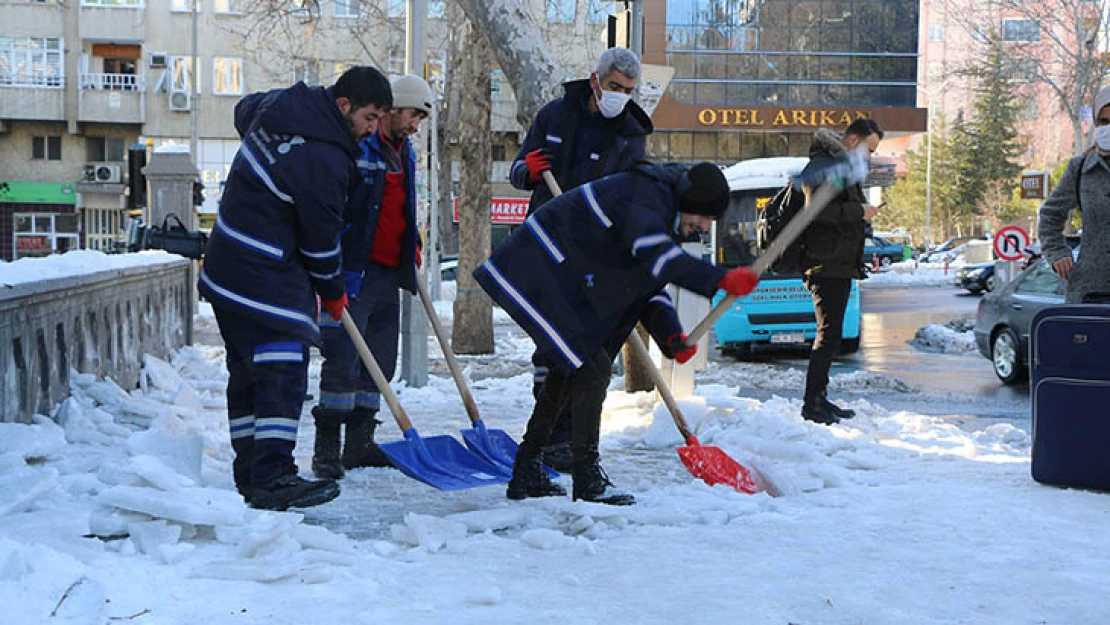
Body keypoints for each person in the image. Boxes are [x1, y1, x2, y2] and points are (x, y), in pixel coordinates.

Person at [473, 163, 761, 506]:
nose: (704, 226)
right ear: (689, 201)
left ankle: (527, 468)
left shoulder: (664, 216)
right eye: (703, 216)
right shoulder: (643, 198)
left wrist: (670, 336)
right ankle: (587, 478)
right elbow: (659, 261)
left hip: (569, 278)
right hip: (541, 267)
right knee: (589, 368)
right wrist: (719, 279)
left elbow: (649, 287)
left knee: (566, 369)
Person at [199, 66, 393, 511]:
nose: (372, 129)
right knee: (283, 369)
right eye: (368, 117)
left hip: (227, 266)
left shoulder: (280, 108)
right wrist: (333, 289)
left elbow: (242, 109)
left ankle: (250, 472)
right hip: (263, 271)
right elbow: (320, 240)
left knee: (248, 373)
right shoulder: (324, 159)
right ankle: (272, 476)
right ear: (343, 106)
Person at [508, 47, 654, 471]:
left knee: (586, 352)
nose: (620, 96)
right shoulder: (555, 115)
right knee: (549, 350)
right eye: (613, 87)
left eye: (628, 90)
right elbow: (517, 173)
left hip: (594, 255)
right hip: (546, 247)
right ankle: (548, 439)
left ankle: (570, 441)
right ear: (596, 81)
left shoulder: (630, 134)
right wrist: (528, 171)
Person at [311, 74, 433, 479]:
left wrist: (410, 242)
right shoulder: (358, 146)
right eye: (414, 114)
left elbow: (401, 206)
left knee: (380, 360)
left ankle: (359, 444)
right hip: (353, 272)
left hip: (388, 273)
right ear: (393, 109)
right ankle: (327, 449)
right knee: (343, 358)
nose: (417, 124)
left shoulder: (406, 152)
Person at [798, 118, 884, 425]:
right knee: (828, 335)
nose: (869, 156)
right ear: (852, 141)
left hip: (838, 263)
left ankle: (819, 398)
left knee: (831, 336)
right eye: (868, 149)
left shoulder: (840, 168)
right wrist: (860, 211)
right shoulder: (823, 167)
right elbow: (817, 211)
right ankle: (812, 404)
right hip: (825, 264)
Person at [1038, 86, 1110, 304]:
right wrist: (1057, 252)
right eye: (1104, 121)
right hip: (1089, 293)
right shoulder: (1080, 169)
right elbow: (1050, 215)